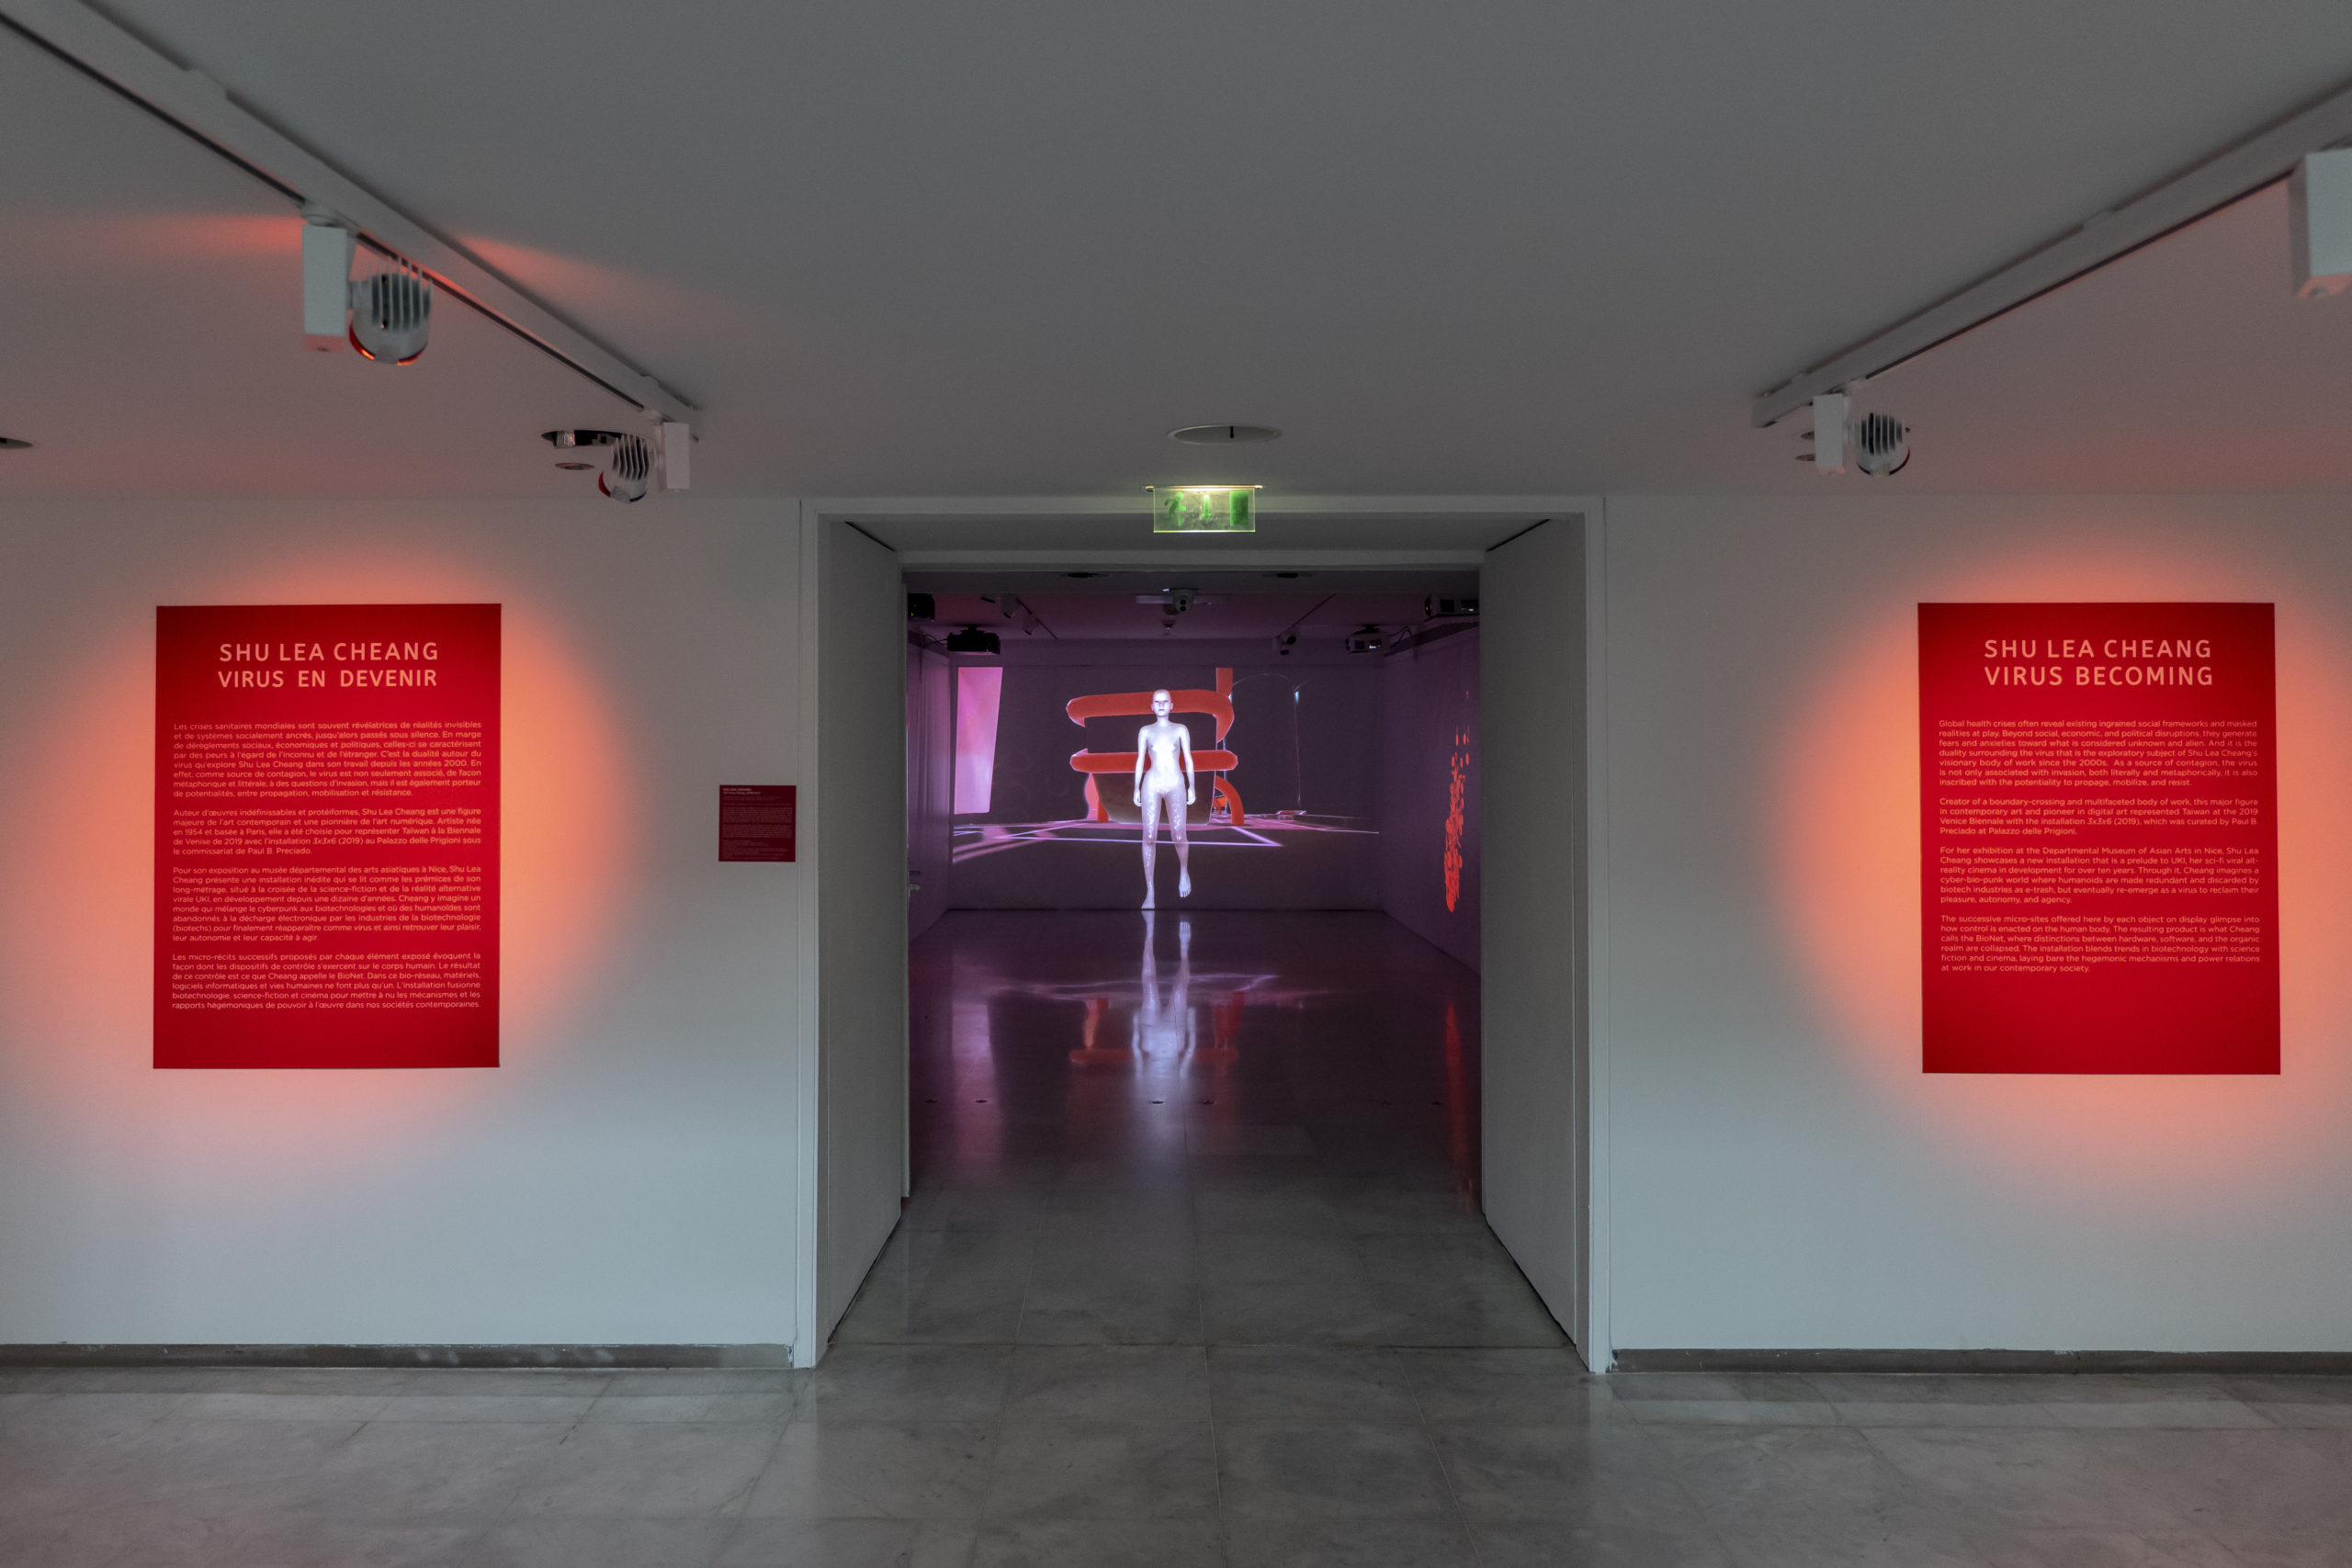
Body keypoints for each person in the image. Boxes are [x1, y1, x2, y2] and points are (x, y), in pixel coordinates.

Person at [1133, 688, 1194, 908]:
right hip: (1152, 783)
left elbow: (1188, 758)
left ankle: (1184, 871)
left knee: (1179, 834)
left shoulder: (1180, 729)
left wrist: (1192, 786)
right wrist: (1136, 787)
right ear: (1152, 706)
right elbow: (1140, 759)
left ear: (1171, 706)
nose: (1161, 705)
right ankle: (1150, 890)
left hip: (1175, 782)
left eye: (1165, 701)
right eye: (1157, 702)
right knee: (1149, 836)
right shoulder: (1145, 731)